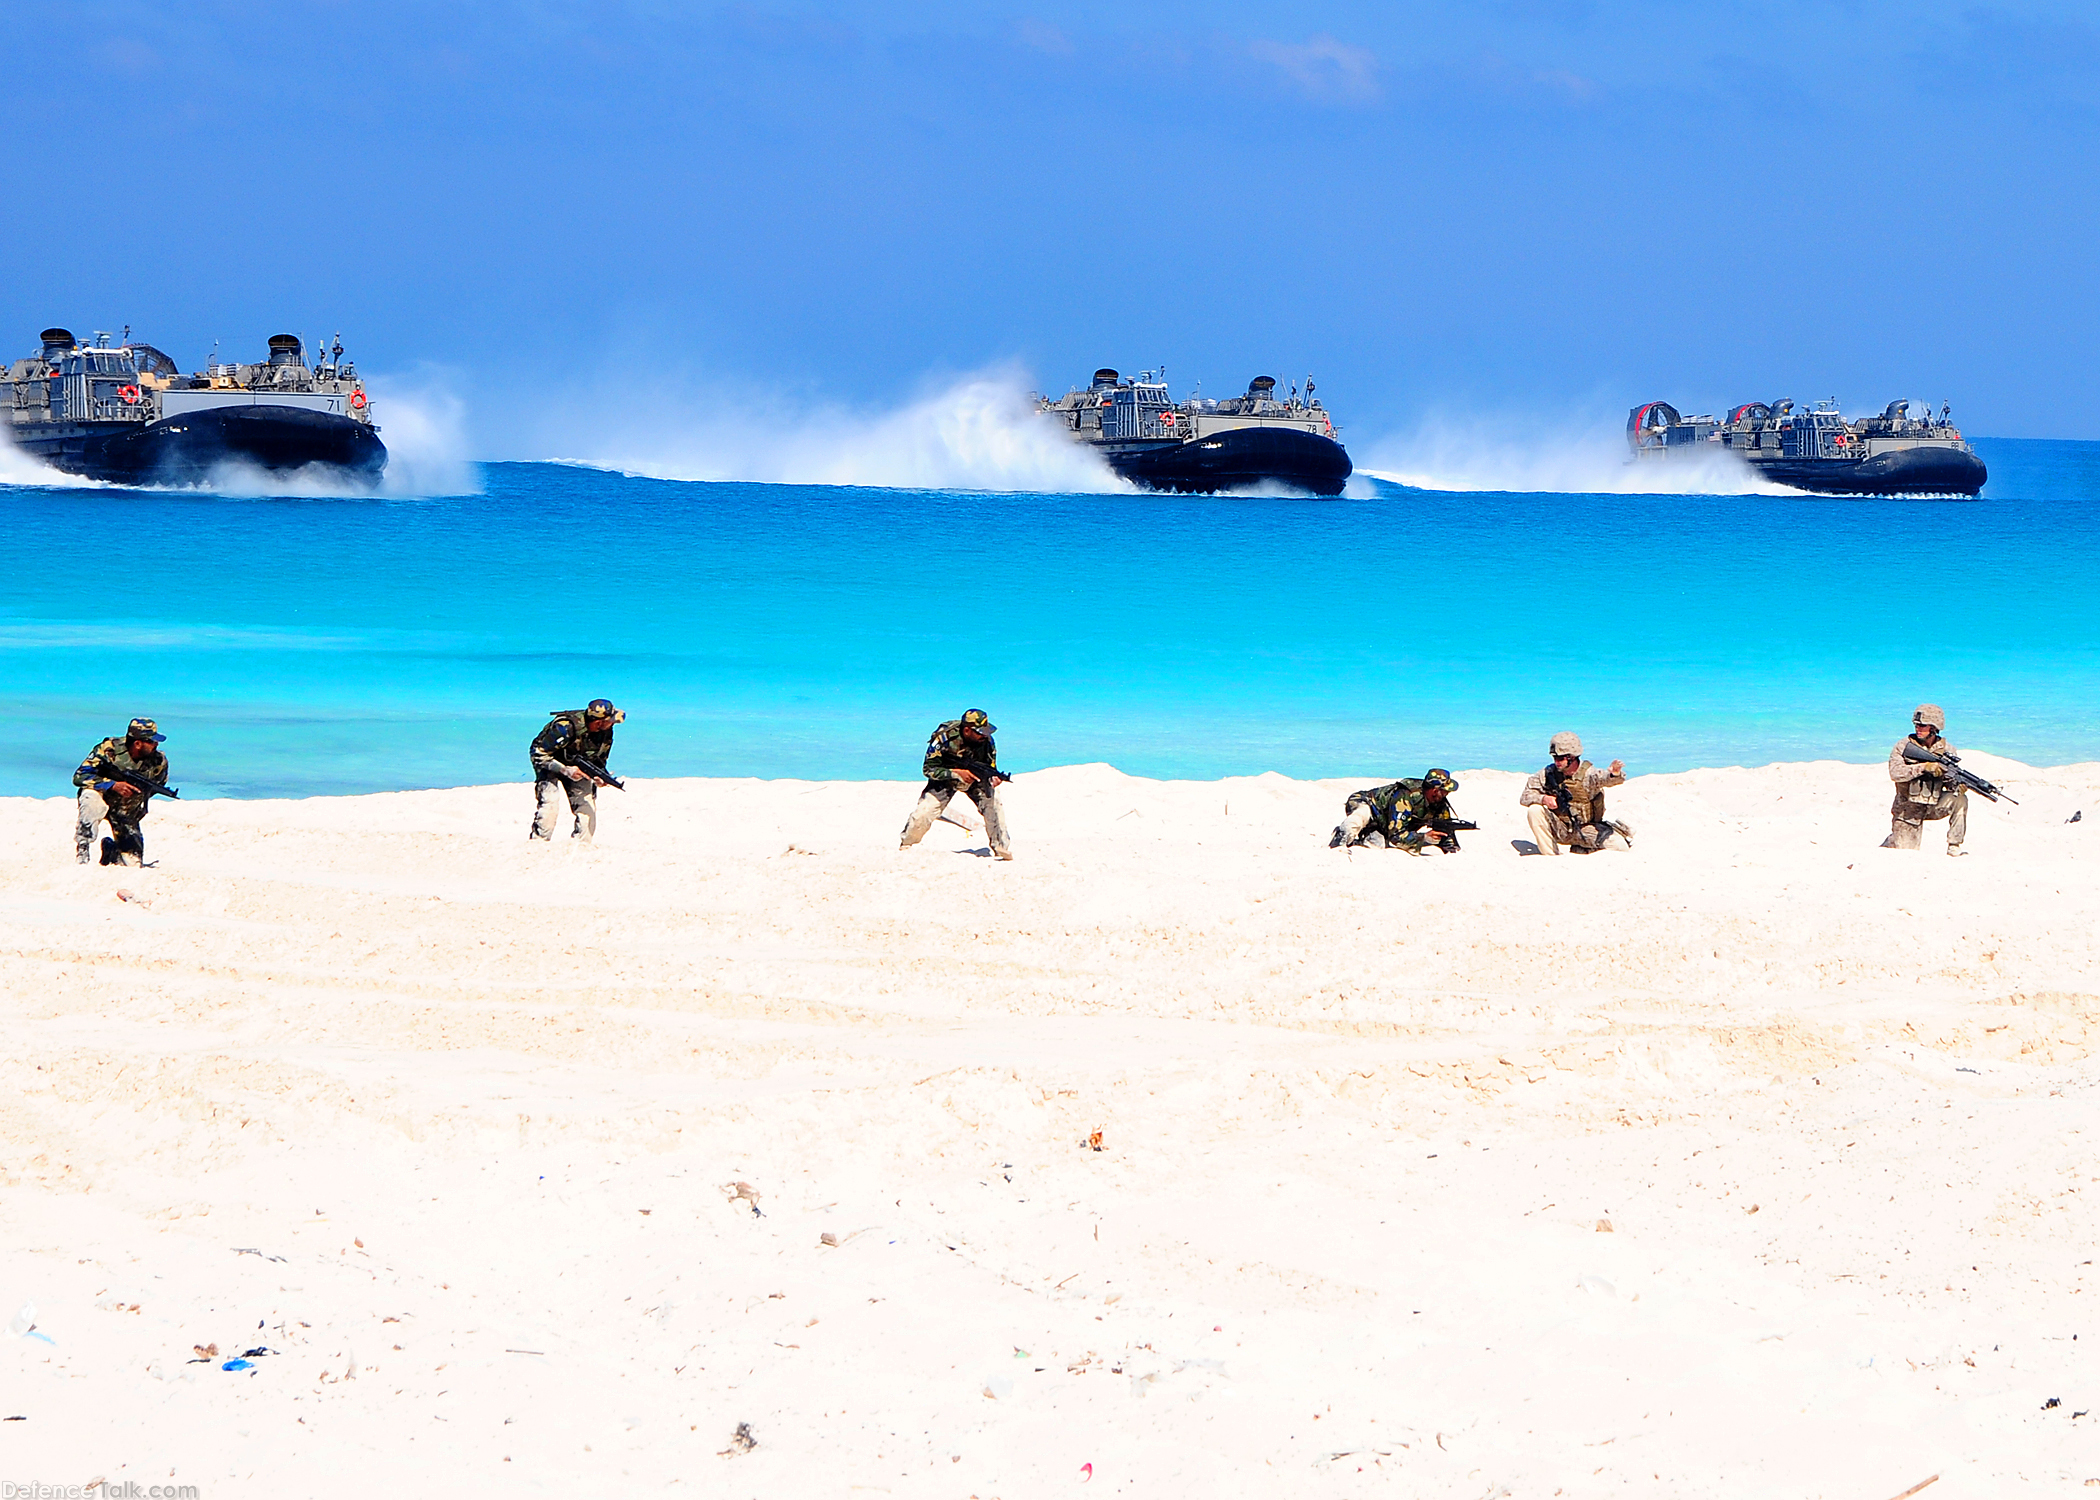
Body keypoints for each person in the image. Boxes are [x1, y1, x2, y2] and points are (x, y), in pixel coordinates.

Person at [898, 708, 1012, 860]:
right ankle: (907, 845)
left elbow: (990, 767)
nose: (984, 736)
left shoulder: (987, 742)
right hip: (945, 779)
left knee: (994, 806)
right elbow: (928, 769)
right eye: (979, 732)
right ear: (966, 730)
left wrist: (993, 779)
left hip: (975, 780)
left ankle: (1001, 848)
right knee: (924, 811)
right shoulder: (944, 738)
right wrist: (956, 773)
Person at [73, 718, 169, 866]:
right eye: (151, 741)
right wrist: (112, 785)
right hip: (102, 796)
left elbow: (158, 784)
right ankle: (83, 848)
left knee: (133, 864)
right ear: (137, 743)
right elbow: (80, 776)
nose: (156, 745)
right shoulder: (109, 749)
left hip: (125, 809)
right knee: (91, 799)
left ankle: (111, 852)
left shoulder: (158, 761)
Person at [1520, 731, 1632, 854]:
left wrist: (1614, 774)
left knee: (1620, 846)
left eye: (1561, 758)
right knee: (1534, 810)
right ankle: (1550, 855)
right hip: (1560, 827)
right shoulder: (1548, 774)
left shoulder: (1588, 774)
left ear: (1572, 757)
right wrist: (1543, 799)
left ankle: (1584, 849)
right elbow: (1525, 796)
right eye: (1554, 758)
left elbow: (1606, 779)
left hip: (1586, 828)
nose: (1557, 761)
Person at [530, 698, 623, 842]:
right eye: (610, 720)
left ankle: (581, 847)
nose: (613, 724)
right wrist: (565, 770)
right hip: (549, 763)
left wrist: (599, 776)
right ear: (599, 722)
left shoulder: (606, 732)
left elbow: (599, 760)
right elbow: (538, 754)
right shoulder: (565, 727)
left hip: (578, 766)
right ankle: (538, 844)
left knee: (587, 808)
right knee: (550, 805)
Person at [1884, 703, 1966, 855]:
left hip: (1933, 805)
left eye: (1923, 726)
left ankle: (1954, 845)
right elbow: (1895, 773)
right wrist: (1924, 767)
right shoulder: (1904, 746)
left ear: (1934, 728)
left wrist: (1956, 785)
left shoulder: (1948, 750)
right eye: (1916, 725)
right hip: (1907, 811)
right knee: (1906, 852)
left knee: (1960, 799)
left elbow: (1948, 780)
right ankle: (1892, 841)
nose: (1918, 729)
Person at [1329, 769, 1465, 852]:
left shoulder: (1439, 804)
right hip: (1369, 804)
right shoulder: (1406, 796)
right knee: (1360, 816)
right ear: (1435, 791)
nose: (1447, 794)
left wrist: (1448, 844)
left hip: (1385, 824)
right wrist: (1424, 838)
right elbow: (1397, 836)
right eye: (1445, 791)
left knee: (1377, 845)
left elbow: (1445, 830)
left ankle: (1359, 840)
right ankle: (1340, 839)